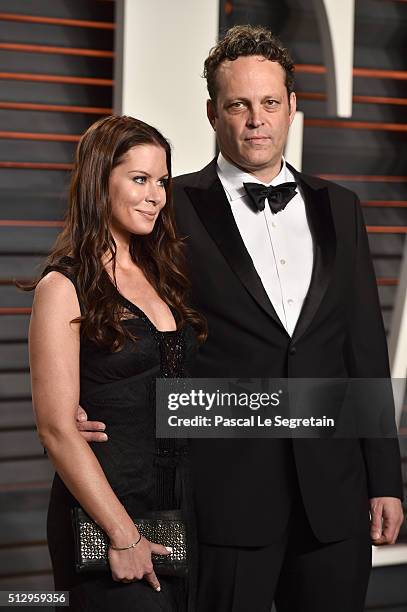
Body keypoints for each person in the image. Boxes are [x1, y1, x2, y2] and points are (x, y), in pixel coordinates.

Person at [77, 26, 404, 611]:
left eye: (270, 103)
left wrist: (385, 479)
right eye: (239, 105)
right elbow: (113, 302)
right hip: (222, 498)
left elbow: (365, 346)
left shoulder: (343, 207)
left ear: (293, 107)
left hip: (334, 498)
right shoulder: (169, 205)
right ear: (212, 112)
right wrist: (90, 400)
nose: (257, 119)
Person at [29, 115, 205, 611]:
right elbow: (57, 430)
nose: (157, 196)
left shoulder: (162, 274)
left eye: (162, 181)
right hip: (107, 521)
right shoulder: (62, 288)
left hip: (181, 513)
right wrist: (123, 535)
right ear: (98, 180)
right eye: (140, 179)